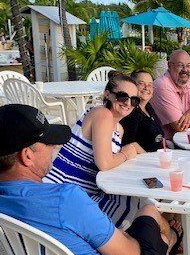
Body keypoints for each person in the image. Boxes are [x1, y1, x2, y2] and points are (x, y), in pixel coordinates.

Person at [0, 104, 190, 255]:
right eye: (48, 143)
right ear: (27, 156)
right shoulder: (65, 200)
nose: (55, 148)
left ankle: (170, 241)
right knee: (151, 216)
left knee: (148, 227)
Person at [44, 74, 145, 228]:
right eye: (122, 96)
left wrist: (132, 149)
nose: (128, 103)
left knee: (137, 205)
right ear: (107, 95)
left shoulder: (119, 129)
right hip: (65, 194)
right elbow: (105, 163)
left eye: (134, 100)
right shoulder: (102, 114)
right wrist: (125, 154)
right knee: (140, 213)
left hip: (81, 193)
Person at [150, 49, 190, 141]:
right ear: (169, 66)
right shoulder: (163, 85)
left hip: (186, 138)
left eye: (188, 66)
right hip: (166, 145)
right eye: (180, 65)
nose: (185, 70)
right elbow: (180, 126)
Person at [121, 70, 164, 152]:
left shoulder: (148, 106)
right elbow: (129, 144)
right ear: (132, 86)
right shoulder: (130, 111)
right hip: (144, 160)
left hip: (160, 154)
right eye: (141, 84)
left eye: (150, 85)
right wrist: (147, 156)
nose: (146, 88)